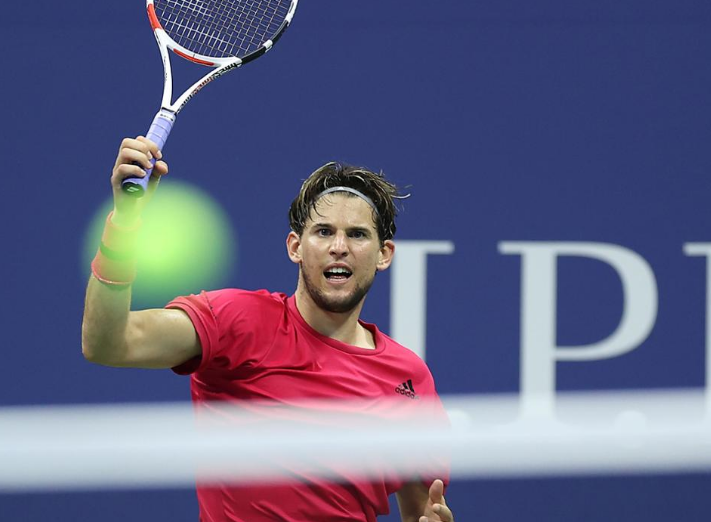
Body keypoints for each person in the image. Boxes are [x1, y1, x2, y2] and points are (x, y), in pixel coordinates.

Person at [82, 136, 454, 522]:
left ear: (384, 254)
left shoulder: (408, 376)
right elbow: (109, 343)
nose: (339, 247)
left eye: (357, 234)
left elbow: (422, 511)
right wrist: (125, 222)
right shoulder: (235, 321)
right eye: (323, 231)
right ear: (295, 246)